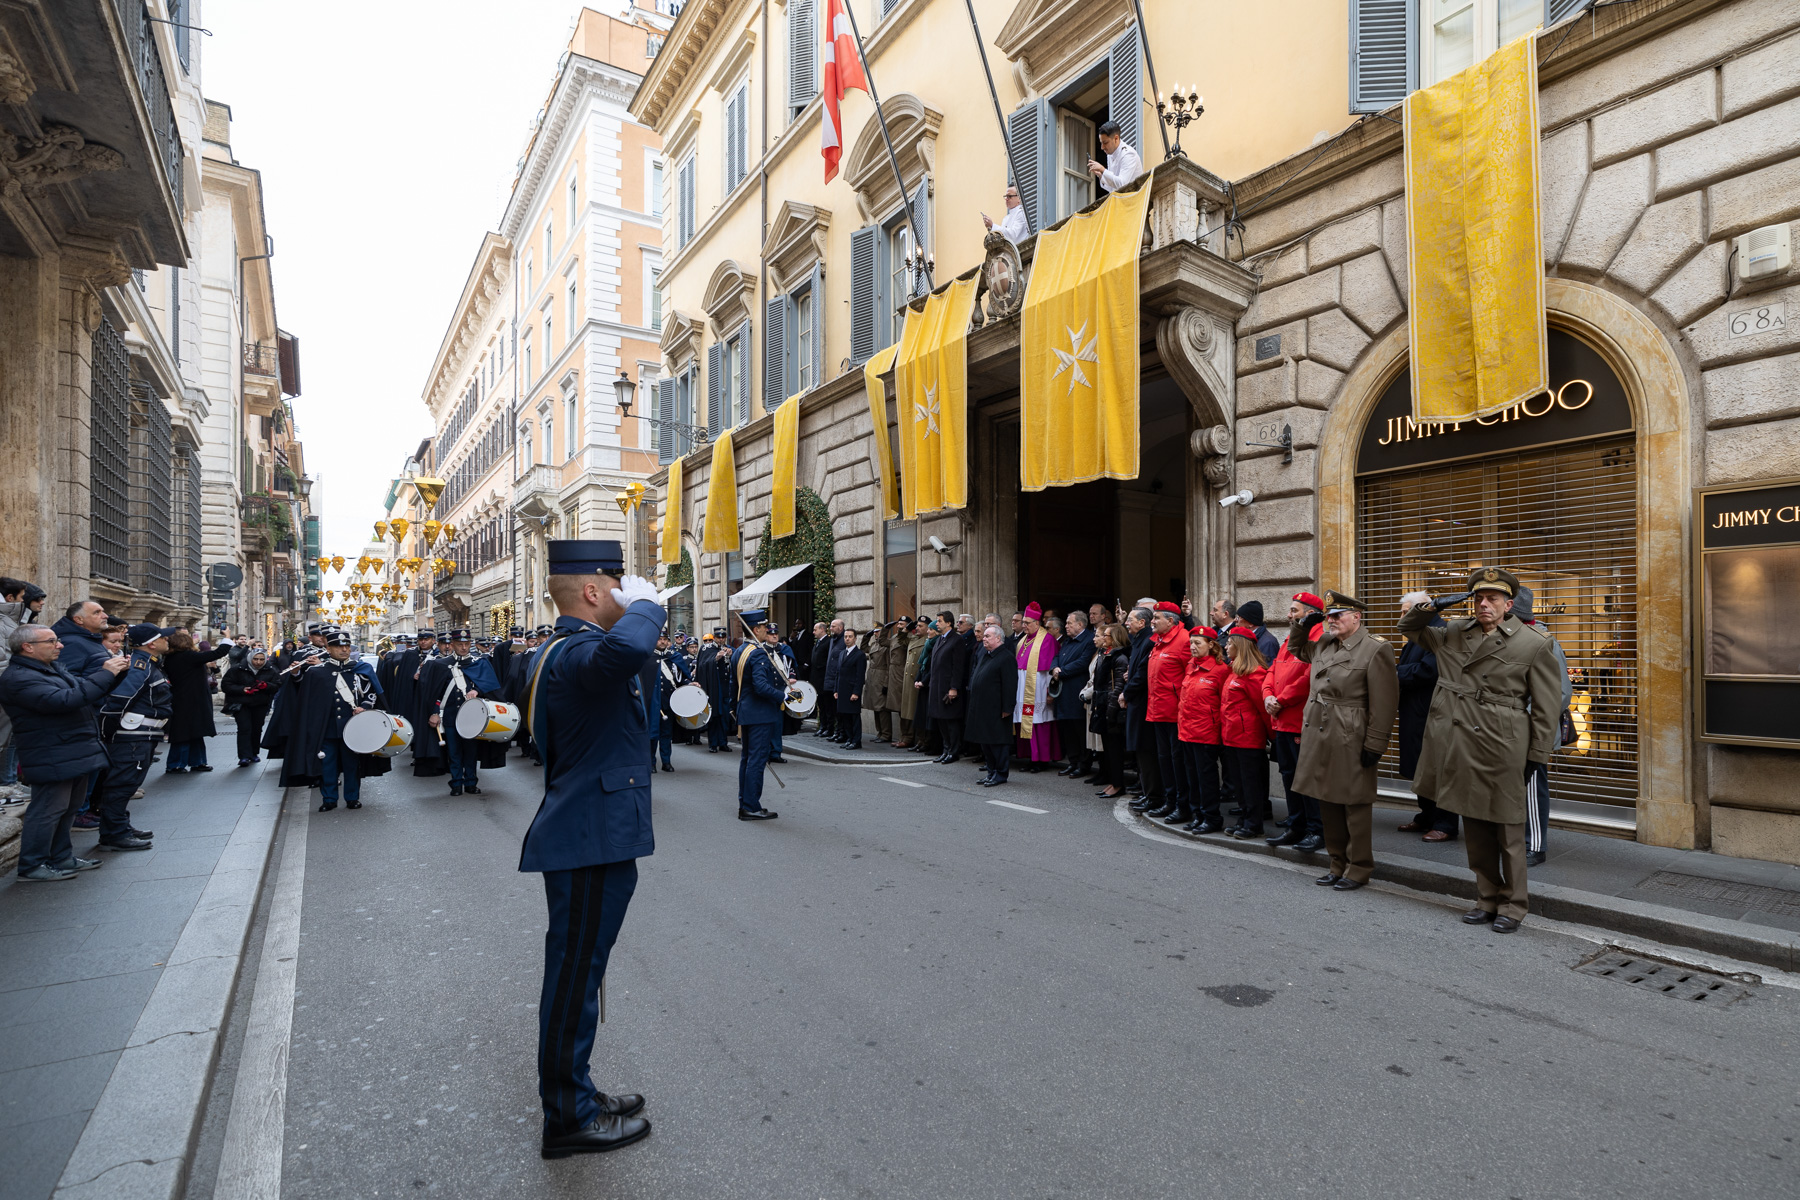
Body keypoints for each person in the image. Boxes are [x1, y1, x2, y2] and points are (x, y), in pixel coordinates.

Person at [515, 540, 662, 1158]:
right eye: (618, 583)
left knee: (581, 972)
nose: (627, 594)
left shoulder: (564, 650)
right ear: (597, 592)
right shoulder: (577, 652)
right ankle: (568, 1117)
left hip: (593, 829)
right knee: (575, 979)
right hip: (588, 836)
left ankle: (578, 1091)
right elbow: (629, 648)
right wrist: (649, 606)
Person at [1399, 567, 1563, 933]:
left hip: (1504, 744)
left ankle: (1514, 906)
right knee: (1474, 829)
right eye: (1478, 598)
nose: (1484, 604)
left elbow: (1548, 707)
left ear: (1508, 604)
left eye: (1492, 598)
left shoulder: (1534, 643)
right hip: (1461, 743)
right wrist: (1435, 604)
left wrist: (1537, 756)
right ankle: (1486, 899)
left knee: (1508, 832)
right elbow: (1409, 629)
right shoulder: (1455, 632)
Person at [0, 624, 128, 879]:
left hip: (70, 748)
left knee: (69, 807)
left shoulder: (46, 669)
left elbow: (82, 690)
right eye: (51, 641)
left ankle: (62, 857)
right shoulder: (18, 677)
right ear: (28, 647)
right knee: (47, 810)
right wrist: (105, 673)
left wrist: (116, 673)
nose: (60, 645)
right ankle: (33, 865)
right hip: (51, 751)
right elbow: (66, 700)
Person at [1289, 593, 1398, 889]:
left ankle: (1359, 868)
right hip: (1321, 731)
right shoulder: (1325, 642)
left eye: (1338, 615)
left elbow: (1385, 703)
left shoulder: (1376, 649)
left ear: (1357, 617)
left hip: (1351, 732)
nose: (1331, 620)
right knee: (1327, 800)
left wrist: (1376, 744)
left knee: (1355, 805)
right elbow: (1297, 650)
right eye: (1328, 616)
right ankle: (1336, 863)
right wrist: (1302, 624)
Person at [90, 623, 173, 852]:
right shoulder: (140, 666)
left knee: (127, 784)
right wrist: (108, 732)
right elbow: (119, 700)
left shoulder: (149, 664)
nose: (168, 640)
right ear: (152, 644)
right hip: (132, 737)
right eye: (164, 637)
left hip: (142, 735)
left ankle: (120, 827)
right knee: (121, 784)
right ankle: (114, 834)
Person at [1512, 585, 1571, 868]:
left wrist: (1527, 722)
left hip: (1530, 730)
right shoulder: (1508, 638)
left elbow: (1559, 692)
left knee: (1533, 787)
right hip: (1506, 729)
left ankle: (1535, 845)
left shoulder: (1543, 640)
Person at [1265, 592, 1325, 849]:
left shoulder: (1320, 637)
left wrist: (1281, 700)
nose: (1288, 615)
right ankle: (1296, 826)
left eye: (1294, 610)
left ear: (1310, 613)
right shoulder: (1291, 637)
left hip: (1301, 720)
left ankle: (1316, 830)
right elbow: (1272, 669)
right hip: (1282, 720)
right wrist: (1267, 695)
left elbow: (1310, 676)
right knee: (1289, 776)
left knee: (1307, 779)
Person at [1393, 599, 1455, 842]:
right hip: (1415, 711)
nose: (1402, 616)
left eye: (1406, 611)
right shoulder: (1421, 632)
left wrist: (1394, 672)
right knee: (1420, 767)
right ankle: (1427, 816)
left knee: (1437, 769)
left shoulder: (1441, 632)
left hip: (1433, 711)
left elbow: (1429, 670)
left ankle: (1445, 823)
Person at [420, 628, 505, 796]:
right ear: (452, 645)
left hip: (472, 717)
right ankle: (456, 783)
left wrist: (478, 691)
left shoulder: (479, 663)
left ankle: (471, 782)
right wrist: (435, 712)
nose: (464, 648)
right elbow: (435, 694)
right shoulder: (441, 665)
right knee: (454, 752)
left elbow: (491, 687)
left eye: (467, 644)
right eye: (460, 644)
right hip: (451, 715)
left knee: (471, 751)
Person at [731, 610, 792, 820]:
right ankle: (751, 807)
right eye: (764, 626)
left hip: (747, 712)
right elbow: (760, 686)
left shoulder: (740, 650)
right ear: (756, 629)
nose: (767, 629)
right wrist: (783, 696)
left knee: (747, 759)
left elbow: (735, 685)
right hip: (760, 714)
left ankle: (745, 802)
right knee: (756, 761)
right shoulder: (757, 652)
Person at [1174, 625, 1230, 832]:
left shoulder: (1220, 669)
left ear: (1211, 645)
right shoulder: (1191, 665)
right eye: (1191, 643)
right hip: (1187, 730)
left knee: (1206, 777)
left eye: (1198, 643)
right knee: (1193, 776)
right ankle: (1198, 814)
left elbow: (1224, 703)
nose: (1192, 647)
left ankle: (1211, 817)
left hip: (1206, 732)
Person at [1220, 630, 1272, 838]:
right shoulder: (1233, 670)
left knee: (1251, 784)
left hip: (1248, 738)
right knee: (1240, 784)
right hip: (1231, 736)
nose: (1225, 646)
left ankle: (1253, 823)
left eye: (1229, 643)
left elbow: (1263, 709)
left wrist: (1271, 736)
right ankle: (1244, 818)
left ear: (1240, 646)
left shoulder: (1255, 673)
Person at [1143, 602, 1189, 821]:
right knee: (1165, 760)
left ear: (1170, 621)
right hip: (1158, 711)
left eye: (1156, 618)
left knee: (1177, 762)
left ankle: (1182, 805)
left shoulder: (1184, 640)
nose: (1152, 621)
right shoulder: (1159, 641)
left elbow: (1191, 677)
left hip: (1175, 714)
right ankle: (1170, 802)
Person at [162, 629, 231, 772]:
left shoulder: (171, 658)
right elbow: (217, 653)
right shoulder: (188, 656)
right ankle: (177, 764)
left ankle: (197, 761)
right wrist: (227, 637)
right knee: (185, 732)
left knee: (193, 730)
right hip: (191, 699)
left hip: (184, 697)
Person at [967, 624, 1019, 786]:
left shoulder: (1006, 657)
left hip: (997, 710)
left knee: (998, 743)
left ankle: (1000, 774)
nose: (984, 638)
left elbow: (1010, 685)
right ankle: (991, 772)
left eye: (988, 636)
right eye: (984, 636)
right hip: (982, 708)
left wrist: (1007, 708)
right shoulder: (986, 655)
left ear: (998, 638)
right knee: (986, 743)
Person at [1121, 607, 1160, 809]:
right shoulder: (1139, 641)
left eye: (1130, 619)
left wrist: (1126, 693)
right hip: (1137, 703)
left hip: (1143, 704)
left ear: (1142, 623)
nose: (1127, 623)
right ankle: (1147, 793)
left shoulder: (1148, 642)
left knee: (1146, 752)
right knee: (1141, 753)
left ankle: (1152, 795)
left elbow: (1143, 674)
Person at [1089, 624, 1131, 799]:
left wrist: (1111, 709)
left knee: (1114, 749)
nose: (1103, 638)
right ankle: (1113, 782)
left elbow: (1117, 686)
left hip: (1110, 707)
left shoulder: (1119, 657)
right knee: (1107, 747)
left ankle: (1118, 783)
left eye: (1106, 635)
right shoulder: (1104, 654)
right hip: (1102, 704)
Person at [1053, 611, 1094, 777]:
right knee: (1068, 730)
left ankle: (1083, 765)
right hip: (1064, 692)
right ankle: (1073, 762)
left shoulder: (1089, 640)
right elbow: (1056, 656)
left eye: (1069, 623)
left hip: (1077, 691)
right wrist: (1055, 667)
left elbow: (1083, 662)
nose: (1066, 626)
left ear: (1080, 624)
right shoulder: (1068, 641)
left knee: (1079, 731)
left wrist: (1062, 671)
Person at [927, 613, 972, 762]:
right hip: (937, 686)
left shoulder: (956, 640)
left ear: (949, 624)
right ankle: (946, 749)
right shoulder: (940, 639)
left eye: (939, 621)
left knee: (951, 721)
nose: (937, 624)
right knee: (941, 720)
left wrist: (954, 688)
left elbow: (957, 667)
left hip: (948, 688)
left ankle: (953, 751)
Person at [223, 649, 280, 766]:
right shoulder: (237, 669)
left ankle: (254, 753)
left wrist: (266, 686)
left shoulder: (270, 670)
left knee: (256, 729)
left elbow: (277, 685)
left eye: (261, 659)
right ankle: (244, 756)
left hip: (260, 704)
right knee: (244, 729)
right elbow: (226, 685)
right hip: (242, 704)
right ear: (250, 658)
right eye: (255, 659)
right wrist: (242, 689)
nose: (258, 662)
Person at [651, 632, 689, 772]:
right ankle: (651, 763)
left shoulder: (674, 657)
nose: (662, 642)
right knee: (652, 734)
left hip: (669, 701)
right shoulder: (648, 658)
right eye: (659, 639)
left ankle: (666, 762)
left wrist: (690, 684)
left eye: (664, 639)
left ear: (668, 641)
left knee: (666, 734)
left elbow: (682, 678)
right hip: (653, 702)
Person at [1088, 120, 1143, 193]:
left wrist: (1103, 170)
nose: (1102, 147)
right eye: (1101, 143)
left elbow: (1122, 184)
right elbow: (1113, 188)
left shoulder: (1128, 154)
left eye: (1105, 143)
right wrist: (1101, 175)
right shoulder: (1110, 155)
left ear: (1116, 138)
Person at [834, 627, 867, 750]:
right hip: (842, 691)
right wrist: (836, 690)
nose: (847, 639)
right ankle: (849, 738)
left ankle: (856, 741)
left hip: (852, 691)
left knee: (854, 718)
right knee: (844, 717)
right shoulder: (842, 653)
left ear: (855, 638)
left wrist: (856, 692)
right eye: (845, 637)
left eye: (850, 637)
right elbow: (838, 673)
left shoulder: (859, 655)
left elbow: (860, 676)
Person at [864, 623, 891, 742]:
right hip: (872, 678)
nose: (875, 634)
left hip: (881, 677)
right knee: (875, 707)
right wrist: (866, 637)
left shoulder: (886, 646)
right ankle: (879, 732)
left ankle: (886, 734)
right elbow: (863, 648)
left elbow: (889, 666)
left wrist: (886, 683)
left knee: (882, 708)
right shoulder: (874, 644)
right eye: (874, 632)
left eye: (878, 631)